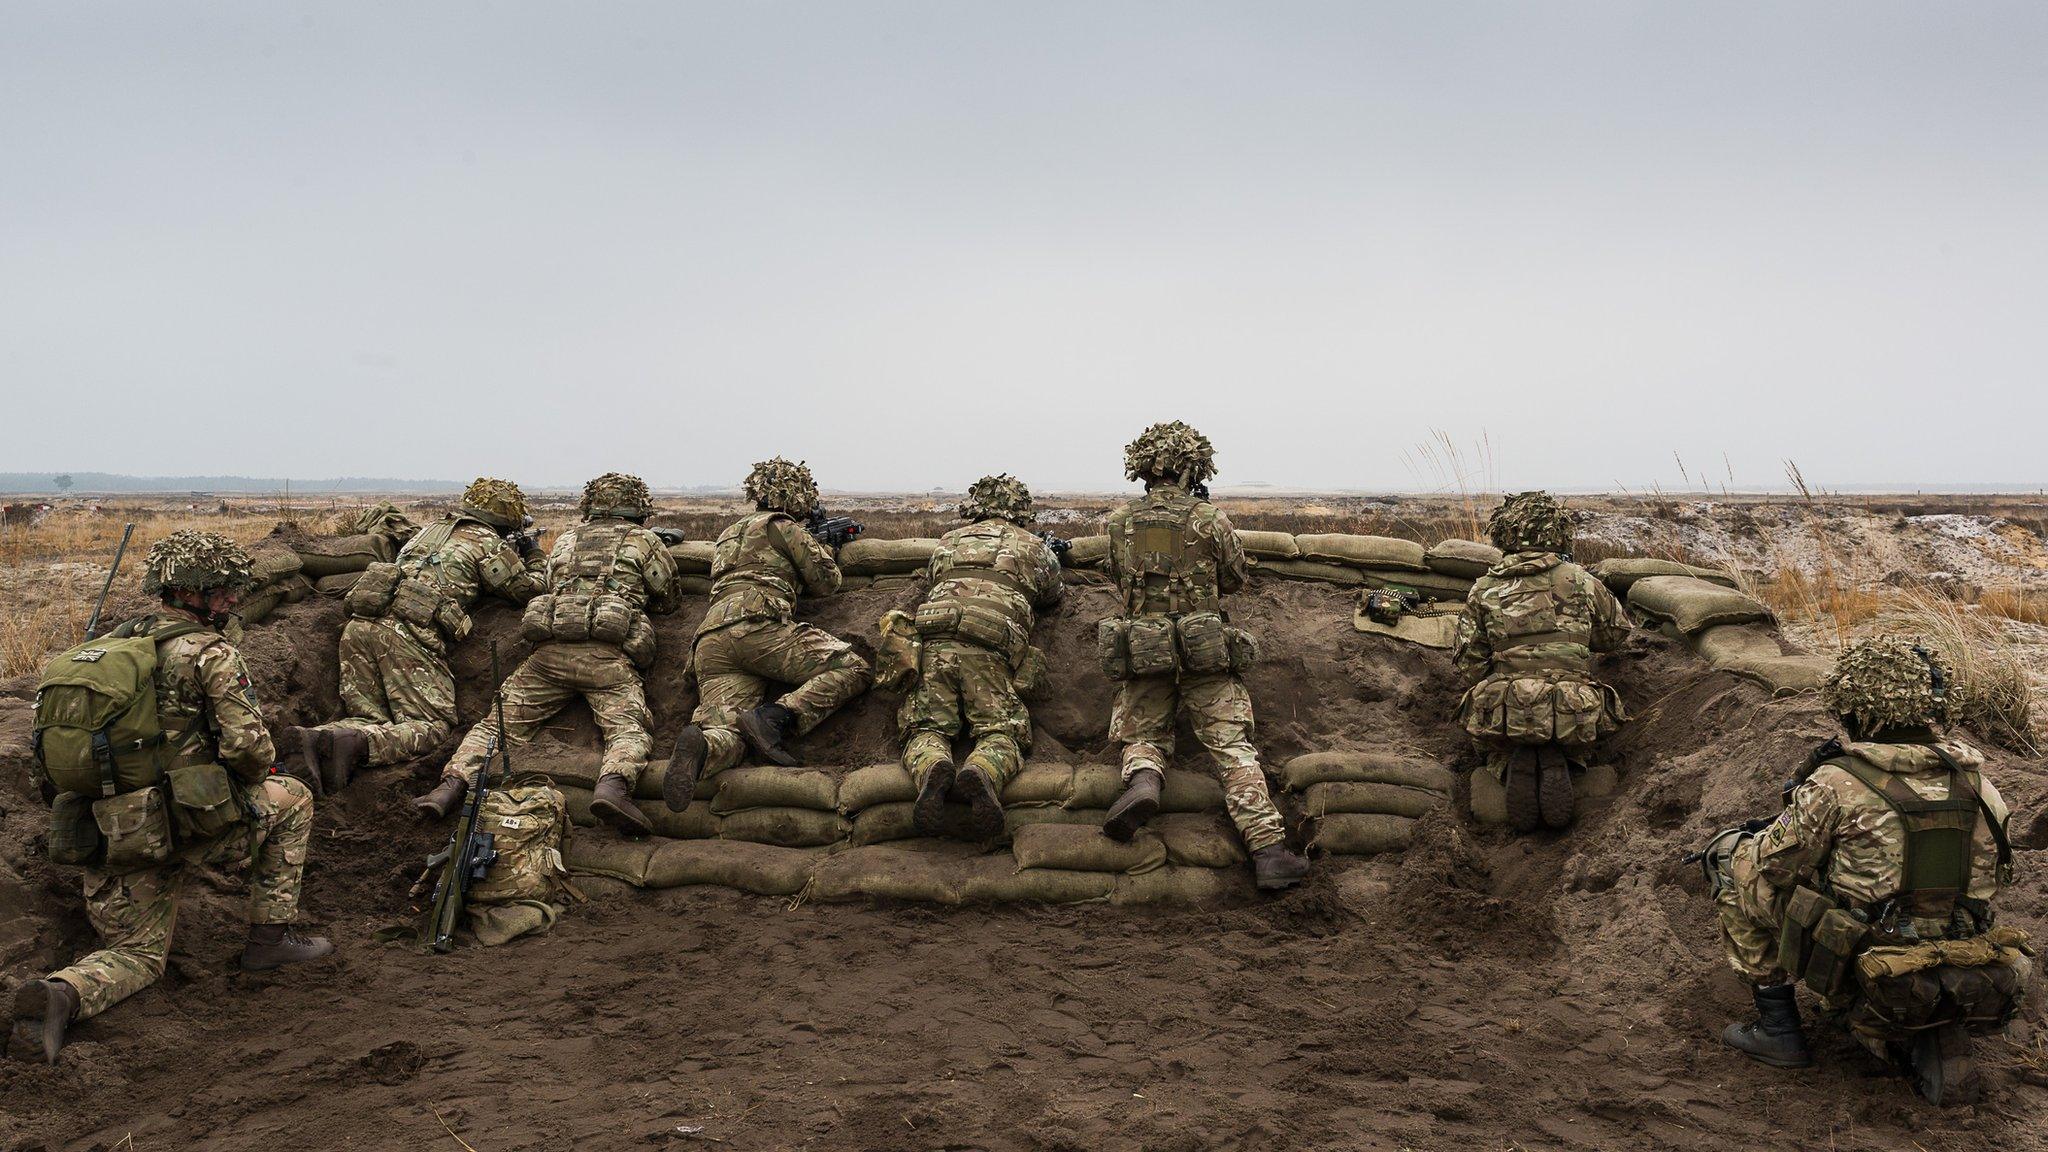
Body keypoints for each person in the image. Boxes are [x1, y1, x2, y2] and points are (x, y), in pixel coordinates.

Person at [14, 531, 332, 1065]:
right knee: (293, 797)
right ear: (200, 592)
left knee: (134, 952)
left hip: (106, 834)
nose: (232, 600)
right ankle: (269, 941)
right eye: (225, 590)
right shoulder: (210, 654)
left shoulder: (106, 649)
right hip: (188, 829)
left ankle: (63, 993)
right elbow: (251, 751)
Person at [1703, 636, 2027, 1106]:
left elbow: (1775, 866)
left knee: (1734, 867)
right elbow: (1994, 878)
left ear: (1858, 708)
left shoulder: (1837, 781)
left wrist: (1753, 844)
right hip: (1962, 943)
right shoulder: (1981, 785)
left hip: (1862, 947)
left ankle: (1778, 1029)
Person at [1098, 421, 1308, 890]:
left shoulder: (1118, 522)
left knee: (1142, 735)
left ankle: (1145, 782)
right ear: (1192, 468)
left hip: (1144, 650)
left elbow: (1118, 576)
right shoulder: (1209, 520)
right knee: (1232, 749)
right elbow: (1234, 579)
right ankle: (1269, 851)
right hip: (1205, 651)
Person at [420, 473, 680, 836]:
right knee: (626, 727)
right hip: (605, 659)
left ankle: (451, 785)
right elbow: (668, 600)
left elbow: (548, 582)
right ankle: (613, 787)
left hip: (548, 655)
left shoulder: (567, 540)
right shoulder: (646, 541)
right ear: (638, 509)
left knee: (497, 726)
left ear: (590, 506)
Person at [290, 478, 545, 791]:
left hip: (360, 623)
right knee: (434, 727)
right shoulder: (486, 541)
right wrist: (532, 555)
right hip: (405, 634)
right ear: (507, 521)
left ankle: (317, 740)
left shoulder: (429, 529)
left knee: (371, 716)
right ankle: (356, 744)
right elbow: (526, 591)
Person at [665, 458, 872, 811]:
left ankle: (703, 748)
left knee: (729, 729)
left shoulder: (727, 534)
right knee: (853, 668)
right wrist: (825, 551)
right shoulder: (783, 525)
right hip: (757, 626)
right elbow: (826, 582)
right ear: (797, 498)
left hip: (711, 639)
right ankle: (775, 719)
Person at [895, 474, 1064, 840]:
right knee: (1003, 730)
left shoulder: (947, 542)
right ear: (1020, 509)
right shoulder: (1034, 545)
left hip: (934, 642)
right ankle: (984, 769)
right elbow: (1052, 595)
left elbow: (931, 579)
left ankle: (933, 766)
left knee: (925, 727)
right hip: (990, 647)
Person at [1451, 490, 1629, 831]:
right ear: (1559, 532)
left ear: (1504, 533)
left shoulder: (1484, 588)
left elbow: (1469, 664)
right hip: (1573, 708)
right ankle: (1568, 761)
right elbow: (1614, 636)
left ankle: (1507, 764)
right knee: (1584, 722)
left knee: (1487, 724)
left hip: (1506, 710)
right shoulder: (1582, 580)